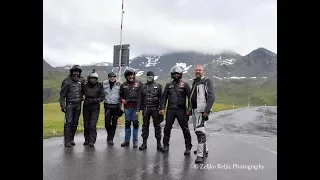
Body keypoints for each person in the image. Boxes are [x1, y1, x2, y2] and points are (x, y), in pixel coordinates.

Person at [160, 66, 193, 155]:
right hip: (170, 110)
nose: (176, 75)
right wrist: (162, 108)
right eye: (174, 74)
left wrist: (189, 110)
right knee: (167, 128)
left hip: (181, 110)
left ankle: (188, 147)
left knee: (185, 129)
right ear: (172, 74)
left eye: (177, 74)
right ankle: (166, 145)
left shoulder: (185, 85)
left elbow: (190, 98)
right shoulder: (168, 85)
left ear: (181, 74)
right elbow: (164, 98)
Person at [190, 65, 215, 163]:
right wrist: (189, 109)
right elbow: (192, 97)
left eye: (200, 70)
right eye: (196, 70)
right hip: (195, 110)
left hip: (202, 110)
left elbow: (212, 97)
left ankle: (200, 155)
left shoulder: (207, 80)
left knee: (200, 132)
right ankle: (205, 149)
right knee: (199, 131)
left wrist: (206, 111)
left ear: (203, 72)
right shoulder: (195, 82)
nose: (198, 71)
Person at [137, 71, 164, 151]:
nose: (149, 78)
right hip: (146, 108)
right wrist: (138, 109)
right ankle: (144, 143)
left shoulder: (158, 86)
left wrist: (162, 108)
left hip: (155, 108)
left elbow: (162, 99)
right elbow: (139, 99)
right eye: (148, 76)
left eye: (151, 76)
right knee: (145, 126)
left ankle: (159, 144)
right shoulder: (143, 87)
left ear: (153, 77)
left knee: (157, 126)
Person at [59, 65, 85, 148]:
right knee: (69, 122)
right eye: (74, 71)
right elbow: (62, 95)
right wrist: (62, 105)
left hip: (78, 104)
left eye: (77, 72)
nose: (76, 73)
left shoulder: (82, 80)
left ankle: (71, 139)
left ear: (79, 72)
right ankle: (67, 141)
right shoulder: (66, 81)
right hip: (69, 104)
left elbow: (91, 85)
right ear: (72, 72)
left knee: (75, 122)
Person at [119, 68, 143, 148]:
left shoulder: (139, 83)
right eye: (129, 75)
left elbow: (142, 95)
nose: (131, 76)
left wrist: (139, 108)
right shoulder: (123, 85)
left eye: (132, 75)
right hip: (127, 107)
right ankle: (126, 141)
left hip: (136, 107)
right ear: (126, 76)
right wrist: (122, 99)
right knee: (128, 123)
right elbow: (120, 95)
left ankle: (135, 141)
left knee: (135, 124)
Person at [82, 69, 105, 147]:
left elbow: (102, 97)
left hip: (95, 106)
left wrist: (94, 100)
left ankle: (92, 140)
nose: (93, 80)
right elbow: (80, 92)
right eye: (91, 78)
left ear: (96, 79)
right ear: (89, 78)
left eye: (94, 78)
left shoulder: (99, 85)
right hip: (86, 106)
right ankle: (87, 139)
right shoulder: (85, 85)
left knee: (92, 124)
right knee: (86, 123)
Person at [102, 72, 123, 145]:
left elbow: (122, 94)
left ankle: (111, 138)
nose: (112, 78)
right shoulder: (104, 83)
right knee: (107, 123)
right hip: (107, 105)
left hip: (116, 106)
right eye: (110, 76)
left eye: (113, 76)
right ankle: (109, 134)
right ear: (108, 77)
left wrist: (120, 105)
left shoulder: (119, 84)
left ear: (115, 77)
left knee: (114, 123)